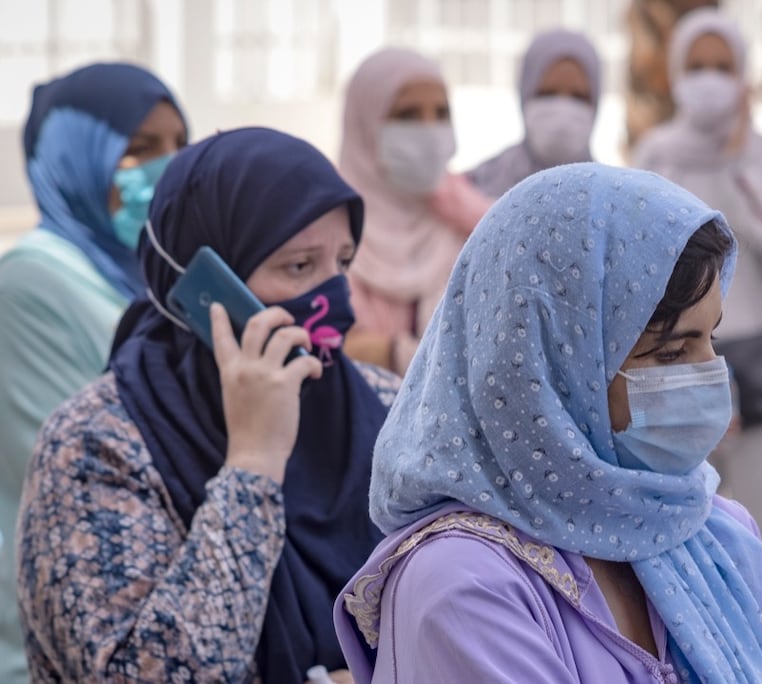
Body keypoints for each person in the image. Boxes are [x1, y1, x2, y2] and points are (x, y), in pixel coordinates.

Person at [334, 163, 762, 683]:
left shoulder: (716, 537)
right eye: (672, 351)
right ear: (550, 372)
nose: (709, 375)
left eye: (711, 340)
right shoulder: (463, 584)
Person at [16, 128, 396, 683]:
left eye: (341, 262)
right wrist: (253, 464)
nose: (333, 297)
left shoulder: (386, 409)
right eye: (298, 267)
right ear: (206, 289)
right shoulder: (94, 445)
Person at [0, 62, 187, 683]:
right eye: (139, 149)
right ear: (75, 159)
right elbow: (76, 462)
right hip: (56, 634)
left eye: (179, 145)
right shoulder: (32, 280)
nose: (168, 165)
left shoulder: (147, 277)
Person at [631, 8, 762, 578]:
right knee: (675, 539)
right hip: (673, 367)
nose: (710, 79)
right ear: (675, 72)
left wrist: (741, 170)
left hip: (760, 361)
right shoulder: (656, 153)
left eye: (723, 66)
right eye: (698, 66)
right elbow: (639, 265)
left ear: (742, 74)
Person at [338, 48, 491, 375]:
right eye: (407, 115)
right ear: (363, 123)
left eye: (441, 113)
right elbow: (320, 347)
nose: (429, 130)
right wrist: (394, 353)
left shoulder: (476, 224)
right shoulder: (327, 233)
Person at [466, 28, 601, 198]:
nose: (562, 111)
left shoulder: (611, 200)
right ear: (525, 94)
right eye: (547, 93)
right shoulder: (473, 190)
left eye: (578, 96)